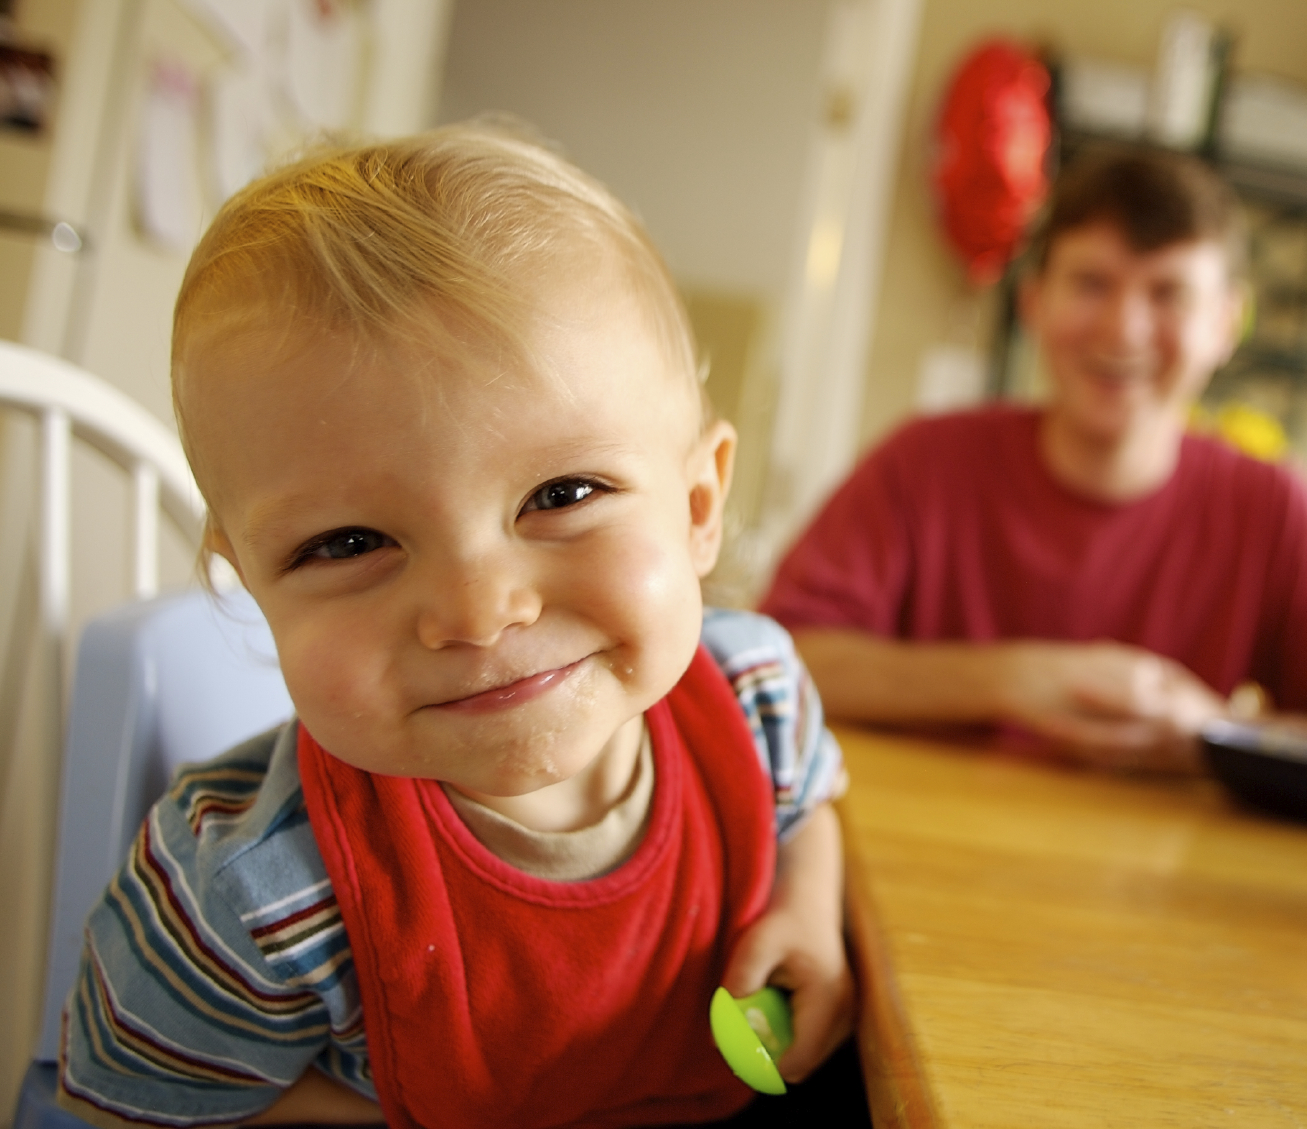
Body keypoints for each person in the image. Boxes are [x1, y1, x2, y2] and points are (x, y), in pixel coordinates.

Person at [58, 126, 855, 1129]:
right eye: (349, 543)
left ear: (697, 508)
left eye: (560, 494)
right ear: (251, 581)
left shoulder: (754, 695)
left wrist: (807, 911)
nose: (479, 611)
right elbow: (133, 1106)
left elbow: (808, 802)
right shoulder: (252, 900)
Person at [760, 147, 1307, 793]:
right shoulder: (922, 463)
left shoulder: (1277, 507)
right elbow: (775, 666)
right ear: (1034, 302)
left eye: (1168, 294)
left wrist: (1215, 737)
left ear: (1226, 324)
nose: (1123, 328)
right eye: (1092, 283)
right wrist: (1011, 679)